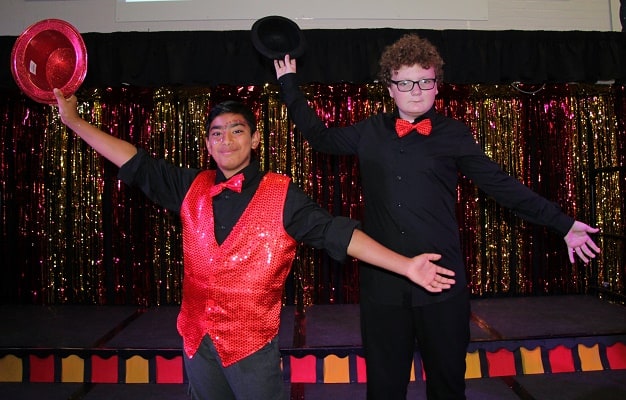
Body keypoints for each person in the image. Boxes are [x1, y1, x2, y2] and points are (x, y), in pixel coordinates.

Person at [53, 88, 457, 400]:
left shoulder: (282, 194)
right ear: (208, 144)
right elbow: (133, 161)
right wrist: (73, 121)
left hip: (250, 349)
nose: (226, 140)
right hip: (196, 342)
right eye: (216, 133)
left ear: (255, 139)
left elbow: (339, 233)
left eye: (237, 130)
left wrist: (406, 266)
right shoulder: (190, 187)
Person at [274, 34, 601, 400]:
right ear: (390, 88)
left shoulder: (454, 134)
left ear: (437, 85)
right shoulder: (369, 131)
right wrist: (289, 84)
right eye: (405, 82)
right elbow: (320, 137)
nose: (416, 91)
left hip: (442, 283)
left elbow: (502, 186)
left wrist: (563, 224)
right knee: (384, 389)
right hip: (384, 286)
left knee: (447, 386)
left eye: (425, 81)